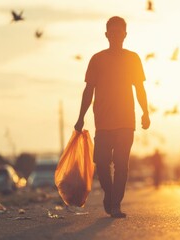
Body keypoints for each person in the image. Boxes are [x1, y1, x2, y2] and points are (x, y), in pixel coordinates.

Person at [74, 16, 150, 218]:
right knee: (101, 161)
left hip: (126, 121)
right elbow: (88, 90)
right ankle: (110, 195)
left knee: (121, 163)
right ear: (107, 34)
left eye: (120, 32)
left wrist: (145, 112)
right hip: (103, 122)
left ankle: (115, 204)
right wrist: (81, 117)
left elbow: (140, 88)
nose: (116, 36)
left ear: (125, 35)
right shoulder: (97, 59)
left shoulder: (133, 58)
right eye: (112, 32)